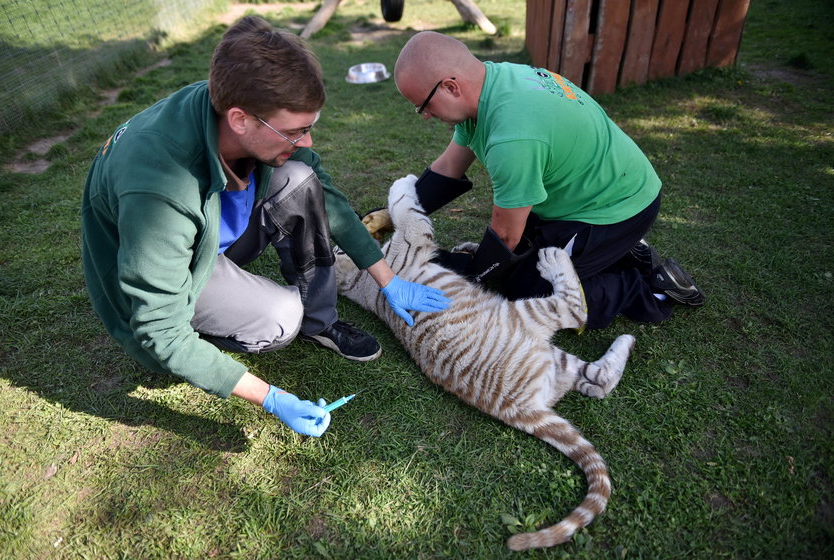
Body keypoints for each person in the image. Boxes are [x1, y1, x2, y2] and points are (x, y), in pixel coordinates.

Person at [81, 17, 450, 438]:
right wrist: (272, 397)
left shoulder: (232, 109)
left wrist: (386, 279)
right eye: (295, 131)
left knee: (299, 179)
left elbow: (326, 198)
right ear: (240, 119)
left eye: (310, 127)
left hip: (207, 235)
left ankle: (321, 321)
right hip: (175, 272)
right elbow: (158, 329)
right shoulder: (160, 186)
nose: (307, 142)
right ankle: (213, 333)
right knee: (279, 319)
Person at [392, 31, 704, 330]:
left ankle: (647, 286)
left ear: (450, 87)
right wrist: (395, 215)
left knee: (530, 293)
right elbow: (449, 167)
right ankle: (618, 252)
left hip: (615, 207)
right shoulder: (492, 83)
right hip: (589, 190)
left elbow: (505, 236)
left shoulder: (512, 137)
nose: (424, 115)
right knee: (513, 265)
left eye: (424, 105)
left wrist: (470, 277)